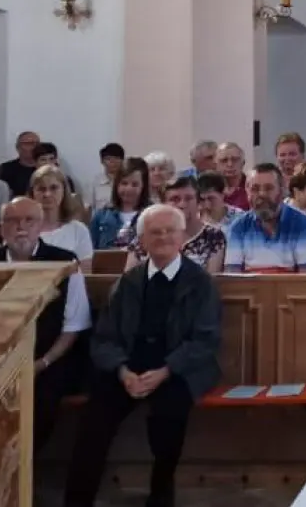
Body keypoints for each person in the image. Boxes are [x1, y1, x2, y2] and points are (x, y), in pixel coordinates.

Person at [65, 205, 222, 507]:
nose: (162, 238)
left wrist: (165, 371)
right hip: (127, 367)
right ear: (142, 241)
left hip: (177, 368)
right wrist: (122, 371)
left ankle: (160, 497)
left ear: (181, 238)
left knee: (169, 417)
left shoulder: (200, 282)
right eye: (154, 232)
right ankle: (77, 501)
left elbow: (205, 340)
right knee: (94, 420)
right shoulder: (128, 282)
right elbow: (104, 337)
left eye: (169, 231)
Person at [0, 197, 92, 453]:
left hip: (47, 358)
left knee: (42, 401)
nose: (20, 227)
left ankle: (24, 474)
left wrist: (41, 363)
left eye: (28, 220)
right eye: (12, 221)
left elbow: (74, 326)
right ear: (2, 227)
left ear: (40, 225)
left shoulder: (65, 263)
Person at [224, 164, 306, 273]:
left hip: (290, 289)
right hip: (250, 289)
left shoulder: (304, 224)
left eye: (269, 188)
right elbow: (232, 276)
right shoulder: (238, 227)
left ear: (281, 190)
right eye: (255, 189)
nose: (262, 194)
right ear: (247, 192)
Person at [126, 176, 227, 272]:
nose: (182, 204)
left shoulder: (213, 236)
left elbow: (212, 281)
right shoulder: (147, 233)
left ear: (198, 203)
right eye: (175, 199)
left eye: (188, 198)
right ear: (163, 204)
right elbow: (128, 279)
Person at [31, 164, 95, 271]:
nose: (47, 194)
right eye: (41, 189)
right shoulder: (24, 229)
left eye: (53, 188)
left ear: (64, 191)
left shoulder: (78, 230)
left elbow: (85, 273)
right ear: (32, 193)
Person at [91, 157, 150, 250]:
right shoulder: (101, 215)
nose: (128, 189)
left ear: (143, 186)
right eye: (124, 183)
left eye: (135, 184)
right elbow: (92, 249)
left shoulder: (152, 214)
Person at [0, 130, 42, 197]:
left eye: (37, 144)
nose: (34, 147)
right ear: (18, 147)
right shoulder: (5, 169)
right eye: (29, 143)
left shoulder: (45, 169)